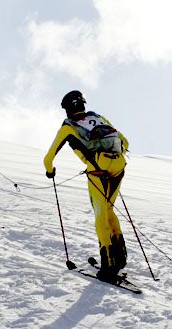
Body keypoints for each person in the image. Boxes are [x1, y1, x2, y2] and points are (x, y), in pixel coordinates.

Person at [43, 90, 129, 282]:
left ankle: (108, 265)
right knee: (109, 209)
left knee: (100, 214)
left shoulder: (68, 126)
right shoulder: (98, 117)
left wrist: (50, 171)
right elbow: (125, 141)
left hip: (98, 168)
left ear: (66, 109)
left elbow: (48, 158)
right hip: (119, 165)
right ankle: (120, 257)